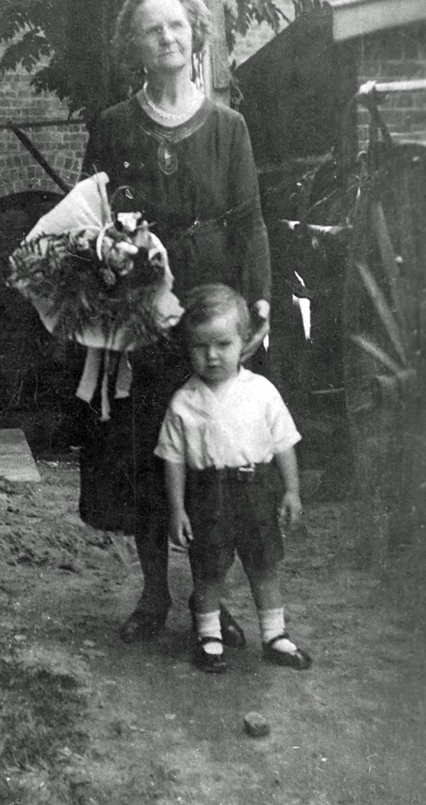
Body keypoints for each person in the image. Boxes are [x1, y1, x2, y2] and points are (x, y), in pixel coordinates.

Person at [78, 0, 271, 643]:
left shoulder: (227, 126)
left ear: (195, 35)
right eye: (153, 30)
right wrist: (122, 273)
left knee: (217, 454)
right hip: (141, 307)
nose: (167, 38)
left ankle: (211, 603)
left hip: (212, 301)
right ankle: (155, 596)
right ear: (134, 46)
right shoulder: (112, 127)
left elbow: (250, 221)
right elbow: (92, 222)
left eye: (178, 27)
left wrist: (260, 299)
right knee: (149, 449)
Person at [157, 283, 312, 672]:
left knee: (263, 566)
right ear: (188, 347)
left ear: (244, 341)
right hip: (209, 495)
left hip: (257, 490)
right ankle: (209, 637)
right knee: (208, 570)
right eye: (200, 347)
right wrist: (177, 509)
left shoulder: (261, 391)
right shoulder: (184, 402)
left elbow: (283, 445)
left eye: (223, 344)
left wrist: (291, 490)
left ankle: (274, 635)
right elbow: (173, 459)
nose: (212, 356)